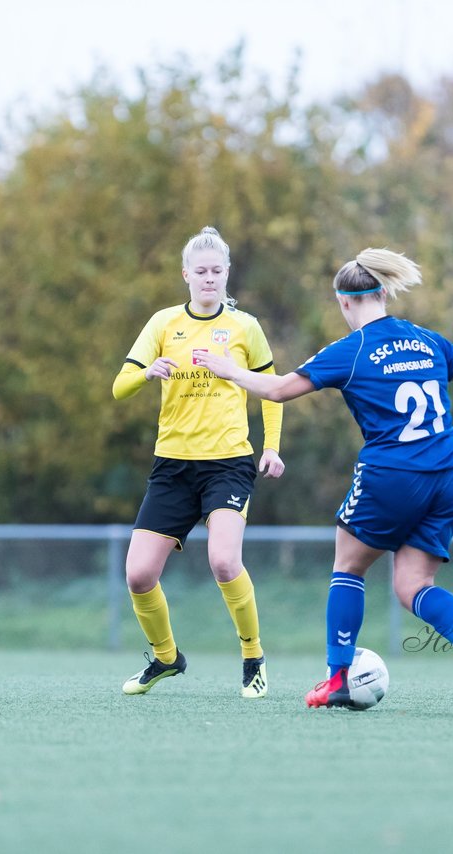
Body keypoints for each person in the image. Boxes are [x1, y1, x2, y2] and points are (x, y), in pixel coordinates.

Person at [196, 247, 453, 710]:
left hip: (393, 475)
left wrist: (228, 369)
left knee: (349, 567)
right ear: (383, 292)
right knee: (413, 586)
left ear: (344, 302)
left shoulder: (352, 350)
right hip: (447, 475)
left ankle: (338, 676)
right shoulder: (427, 339)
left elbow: (279, 390)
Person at [112, 226, 285, 698]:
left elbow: (271, 390)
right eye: (200, 271)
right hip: (172, 465)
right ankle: (167, 658)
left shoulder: (245, 327)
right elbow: (119, 386)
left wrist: (271, 445)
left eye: (217, 271)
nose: (209, 278)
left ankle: (253, 656)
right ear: (186, 274)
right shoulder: (164, 323)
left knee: (225, 562)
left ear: (226, 274)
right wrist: (146, 373)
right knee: (139, 574)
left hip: (228, 462)